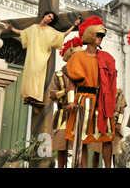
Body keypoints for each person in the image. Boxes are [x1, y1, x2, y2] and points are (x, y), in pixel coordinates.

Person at [63, 16, 117, 168]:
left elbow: (112, 82)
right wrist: (71, 101)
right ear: (90, 36)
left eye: (101, 36)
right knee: (83, 139)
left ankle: (108, 167)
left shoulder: (107, 58)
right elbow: (71, 82)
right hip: (84, 100)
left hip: (103, 100)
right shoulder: (77, 57)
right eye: (98, 35)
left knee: (107, 137)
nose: (100, 38)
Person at [6, 11, 80, 106]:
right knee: (29, 74)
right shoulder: (33, 28)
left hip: (41, 57)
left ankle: (34, 96)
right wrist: (11, 28)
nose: (49, 18)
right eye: (49, 16)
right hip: (31, 56)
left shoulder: (50, 31)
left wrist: (74, 25)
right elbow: (22, 33)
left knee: (37, 75)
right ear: (44, 15)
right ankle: (28, 96)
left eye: (51, 18)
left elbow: (62, 35)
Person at [49, 36, 83, 168]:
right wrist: (65, 91)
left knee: (79, 145)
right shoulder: (59, 74)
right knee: (61, 146)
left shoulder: (83, 74)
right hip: (63, 113)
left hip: (79, 112)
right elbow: (52, 94)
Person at [87, 88, 127, 168]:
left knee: (116, 151)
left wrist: (119, 124)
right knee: (97, 150)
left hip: (115, 124)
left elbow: (122, 111)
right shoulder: (99, 91)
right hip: (101, 123)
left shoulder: (119, 93)